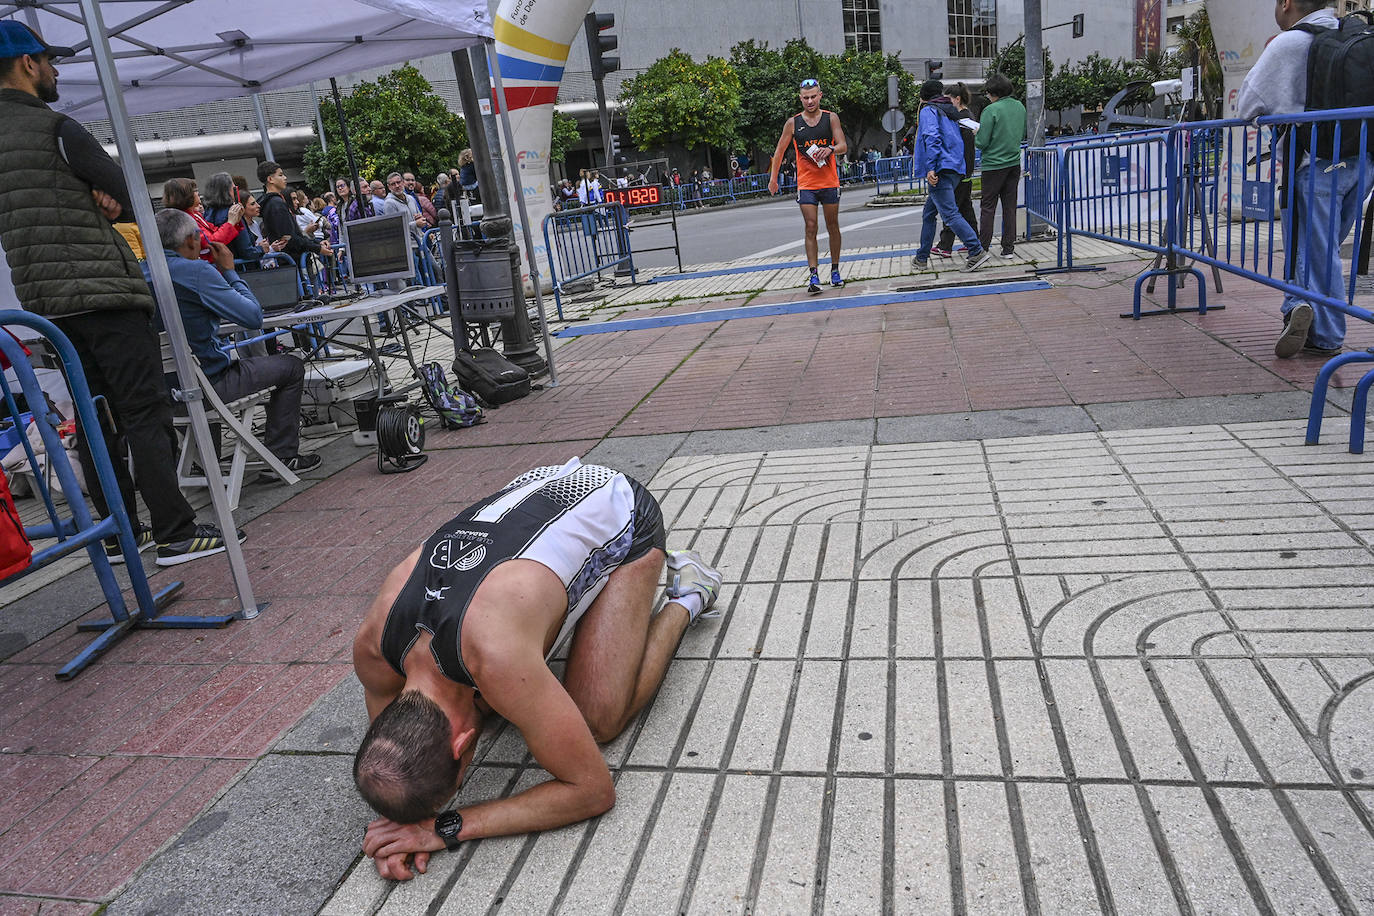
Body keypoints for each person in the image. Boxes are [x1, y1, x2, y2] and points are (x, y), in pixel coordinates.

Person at [352, 458, 725, 880]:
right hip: (534, 496)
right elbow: (393, 761)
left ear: (463, 746)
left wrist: (444, 827)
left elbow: (592, 791)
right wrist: (402, 817)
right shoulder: (373, 650)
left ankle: (691, 594)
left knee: (598, 719)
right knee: (495, 696)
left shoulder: (496, 659)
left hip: (621, 508)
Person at [0, 20, 238, 566]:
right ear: (27, 64)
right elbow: (132, 197)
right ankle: (176, 531)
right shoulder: (57, 128)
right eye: (49, 60)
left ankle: (118, 531)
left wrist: (93, 198)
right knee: (143, 411)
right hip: (104, 292)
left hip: (46, 305)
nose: (57, 70)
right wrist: (105, 201)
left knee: (91, 417)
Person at [1238, 0, 1372, 358]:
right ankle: (1296, 306)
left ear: (1287, 3)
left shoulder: (1290, 43)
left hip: (1315, 162)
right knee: (1320, 248)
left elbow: (1248, 106)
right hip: (1363, 159)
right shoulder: (1355, 34)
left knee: (1317, 251)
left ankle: (1324, 332)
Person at [153, 209, 320, 475]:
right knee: (291, 366)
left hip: (161, 392)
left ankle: (201, 461)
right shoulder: (196, 271)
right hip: (209, 387)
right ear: (191, 241)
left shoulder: (140, 273)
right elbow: (252, 317)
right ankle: (282, 456)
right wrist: (230, 272)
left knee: (196, 367)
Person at [768, 78, 848, 293]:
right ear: (800, 98)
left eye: (813, 96)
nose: (810, 101)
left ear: (820, 95)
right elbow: (779, 152)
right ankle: (813, 275)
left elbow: (843, 145)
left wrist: (830, 149)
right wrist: (773, 179)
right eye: (806, 98)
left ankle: (835, 270)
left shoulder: (831, 118)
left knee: (833, 225)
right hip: (807, 183)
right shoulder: (792, 123)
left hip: (829, 181)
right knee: (810, 225)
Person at [911, 79, 991, 273]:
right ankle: (921, 257)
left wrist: (931, 168)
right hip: (955, 168)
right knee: (929, 213)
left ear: (923, 97)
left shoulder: (929, 111)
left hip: (940, 169)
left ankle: (976, 250)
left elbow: (932, 137)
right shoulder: (951, 112)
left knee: (950, 214)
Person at [975, 72, 1027, 259]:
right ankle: (1008, 248)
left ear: (992, 92)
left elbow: (982, 142)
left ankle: (983, 248)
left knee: (988, 207)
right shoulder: (1020, 107)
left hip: (993, 165)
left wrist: (976, 133)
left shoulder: (991, 110)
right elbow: (1021, 134)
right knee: (1009, 206)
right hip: (1013, 162)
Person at [932, 83, 979, 260]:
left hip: (960, 170)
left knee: (951, 210)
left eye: (949, 99)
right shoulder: (967, 118)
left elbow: (962, 148)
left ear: (957, 99)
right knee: (965, 207)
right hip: (964, 170)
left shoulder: (962, 120)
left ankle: (945, 245)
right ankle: (974, 240)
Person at [256, 161, 330, 264]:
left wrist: (316, 244)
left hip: (290, 259)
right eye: (280, 175)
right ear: (270, 179)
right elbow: (290, 237)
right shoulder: (276, 204)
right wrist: (317, 248)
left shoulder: (273, 202)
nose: (285, 178)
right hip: (293, 260)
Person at [162, 177, 241, 262]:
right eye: (194, 191)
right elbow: (210, 242)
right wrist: (231, 223)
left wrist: (234, 222)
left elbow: (214, 230)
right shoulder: (184, 220)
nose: (197, 193)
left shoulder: (194, 215)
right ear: (186, 196)